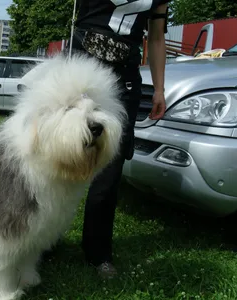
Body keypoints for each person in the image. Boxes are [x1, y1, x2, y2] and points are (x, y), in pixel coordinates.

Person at [70, 0, 171, 278]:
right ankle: (41, 240)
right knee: (59, 159)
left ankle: (98, 252)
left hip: (124, 78)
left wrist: (159, 89)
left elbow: (157, 37)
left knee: (109, 171)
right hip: (80, 70)